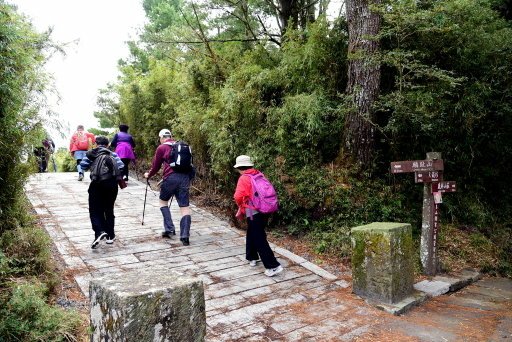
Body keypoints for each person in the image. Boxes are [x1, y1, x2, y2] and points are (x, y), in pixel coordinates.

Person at [233, 155, 283, 277]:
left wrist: (242, 205)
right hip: (265, 209)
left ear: (239, 168)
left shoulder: (244, 178)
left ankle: (273, 266)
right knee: (253, 232)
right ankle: (252, 257)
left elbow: (237, 196)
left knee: (259, 237)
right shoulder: (258, 174)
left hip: (253, 211)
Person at [144, 129, 192, 246]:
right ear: (171, 136)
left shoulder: (162, 148)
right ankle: (185, 236)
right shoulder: (182, 146)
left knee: (163, 202)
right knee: (185, 207)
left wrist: (148, 175)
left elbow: (155, 166)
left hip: (170, 179)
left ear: (161, 138)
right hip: (184, 179)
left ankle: (169, 228)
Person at [80, 136, 124, 249]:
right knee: (109, 209)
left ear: (95, 144)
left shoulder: (91, 154)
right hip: (111, 185)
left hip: (96, 184)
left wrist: (93, 165)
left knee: (95, 210)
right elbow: (121, 166)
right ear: (108, 144)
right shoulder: (112, 154)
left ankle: (99, 232)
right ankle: (110, 236)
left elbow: (82, 166)